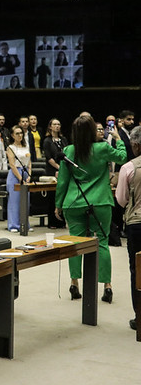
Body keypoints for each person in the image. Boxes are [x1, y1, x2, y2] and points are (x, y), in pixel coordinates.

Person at [55, 116, 126, 303]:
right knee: (102, 242)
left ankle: (74, 283)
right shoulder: (102, 148)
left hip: (74, 202)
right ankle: (107, 286)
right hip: (100, 202)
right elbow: (122, 157)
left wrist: (58, 204)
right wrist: (118, 139)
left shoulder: (68, 150)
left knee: (74, 244)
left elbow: (62, 181)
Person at [114, 126, 141, 329]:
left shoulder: (128, 168)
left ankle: (139, 317)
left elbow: (121, 200)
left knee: (137, 269)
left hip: (136, 224)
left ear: (135, 145)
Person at [6, 125, 32, 233]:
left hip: (25, 172)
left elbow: (29, 162)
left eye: (21, 133)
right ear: (12, 135)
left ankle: (25, 223)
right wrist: (20, 178)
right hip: (15, 174)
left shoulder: (26, 146)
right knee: (14, 201)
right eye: (17, 133)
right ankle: (13, 225)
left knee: (26, 200)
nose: (19, 135)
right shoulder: (10, 147)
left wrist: (29, 175)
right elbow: (12, 164)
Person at [42, 118, 68, 229]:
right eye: (54, 124)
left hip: (63, 170)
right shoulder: (47, 141)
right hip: (52, 171)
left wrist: (63, 169)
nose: (57, 126)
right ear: (50, 127)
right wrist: (59, 168)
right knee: (53, 197)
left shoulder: (63, 140)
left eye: (58, 124)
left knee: (63, 195)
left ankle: (62, 221)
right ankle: (52, 222)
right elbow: (49, 158)